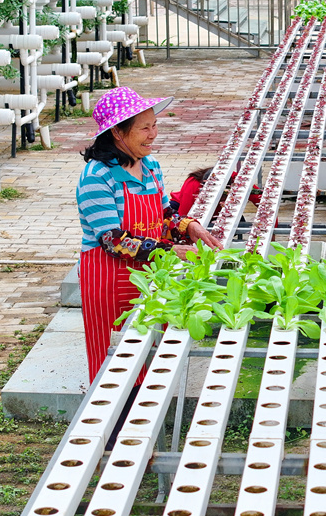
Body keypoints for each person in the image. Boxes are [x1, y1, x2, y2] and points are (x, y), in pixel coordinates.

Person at [76, 87, 223, 389]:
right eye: (144, 128)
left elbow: (164, 213)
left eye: (154, 124)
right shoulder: (97, 176)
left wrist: (188, 227)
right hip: (110, 279)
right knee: (116, 368)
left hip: (152, 273)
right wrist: (173, 252)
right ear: (117, 132)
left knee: (154, 358)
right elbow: (113, 241)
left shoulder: (151, 166)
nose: (153, 134)